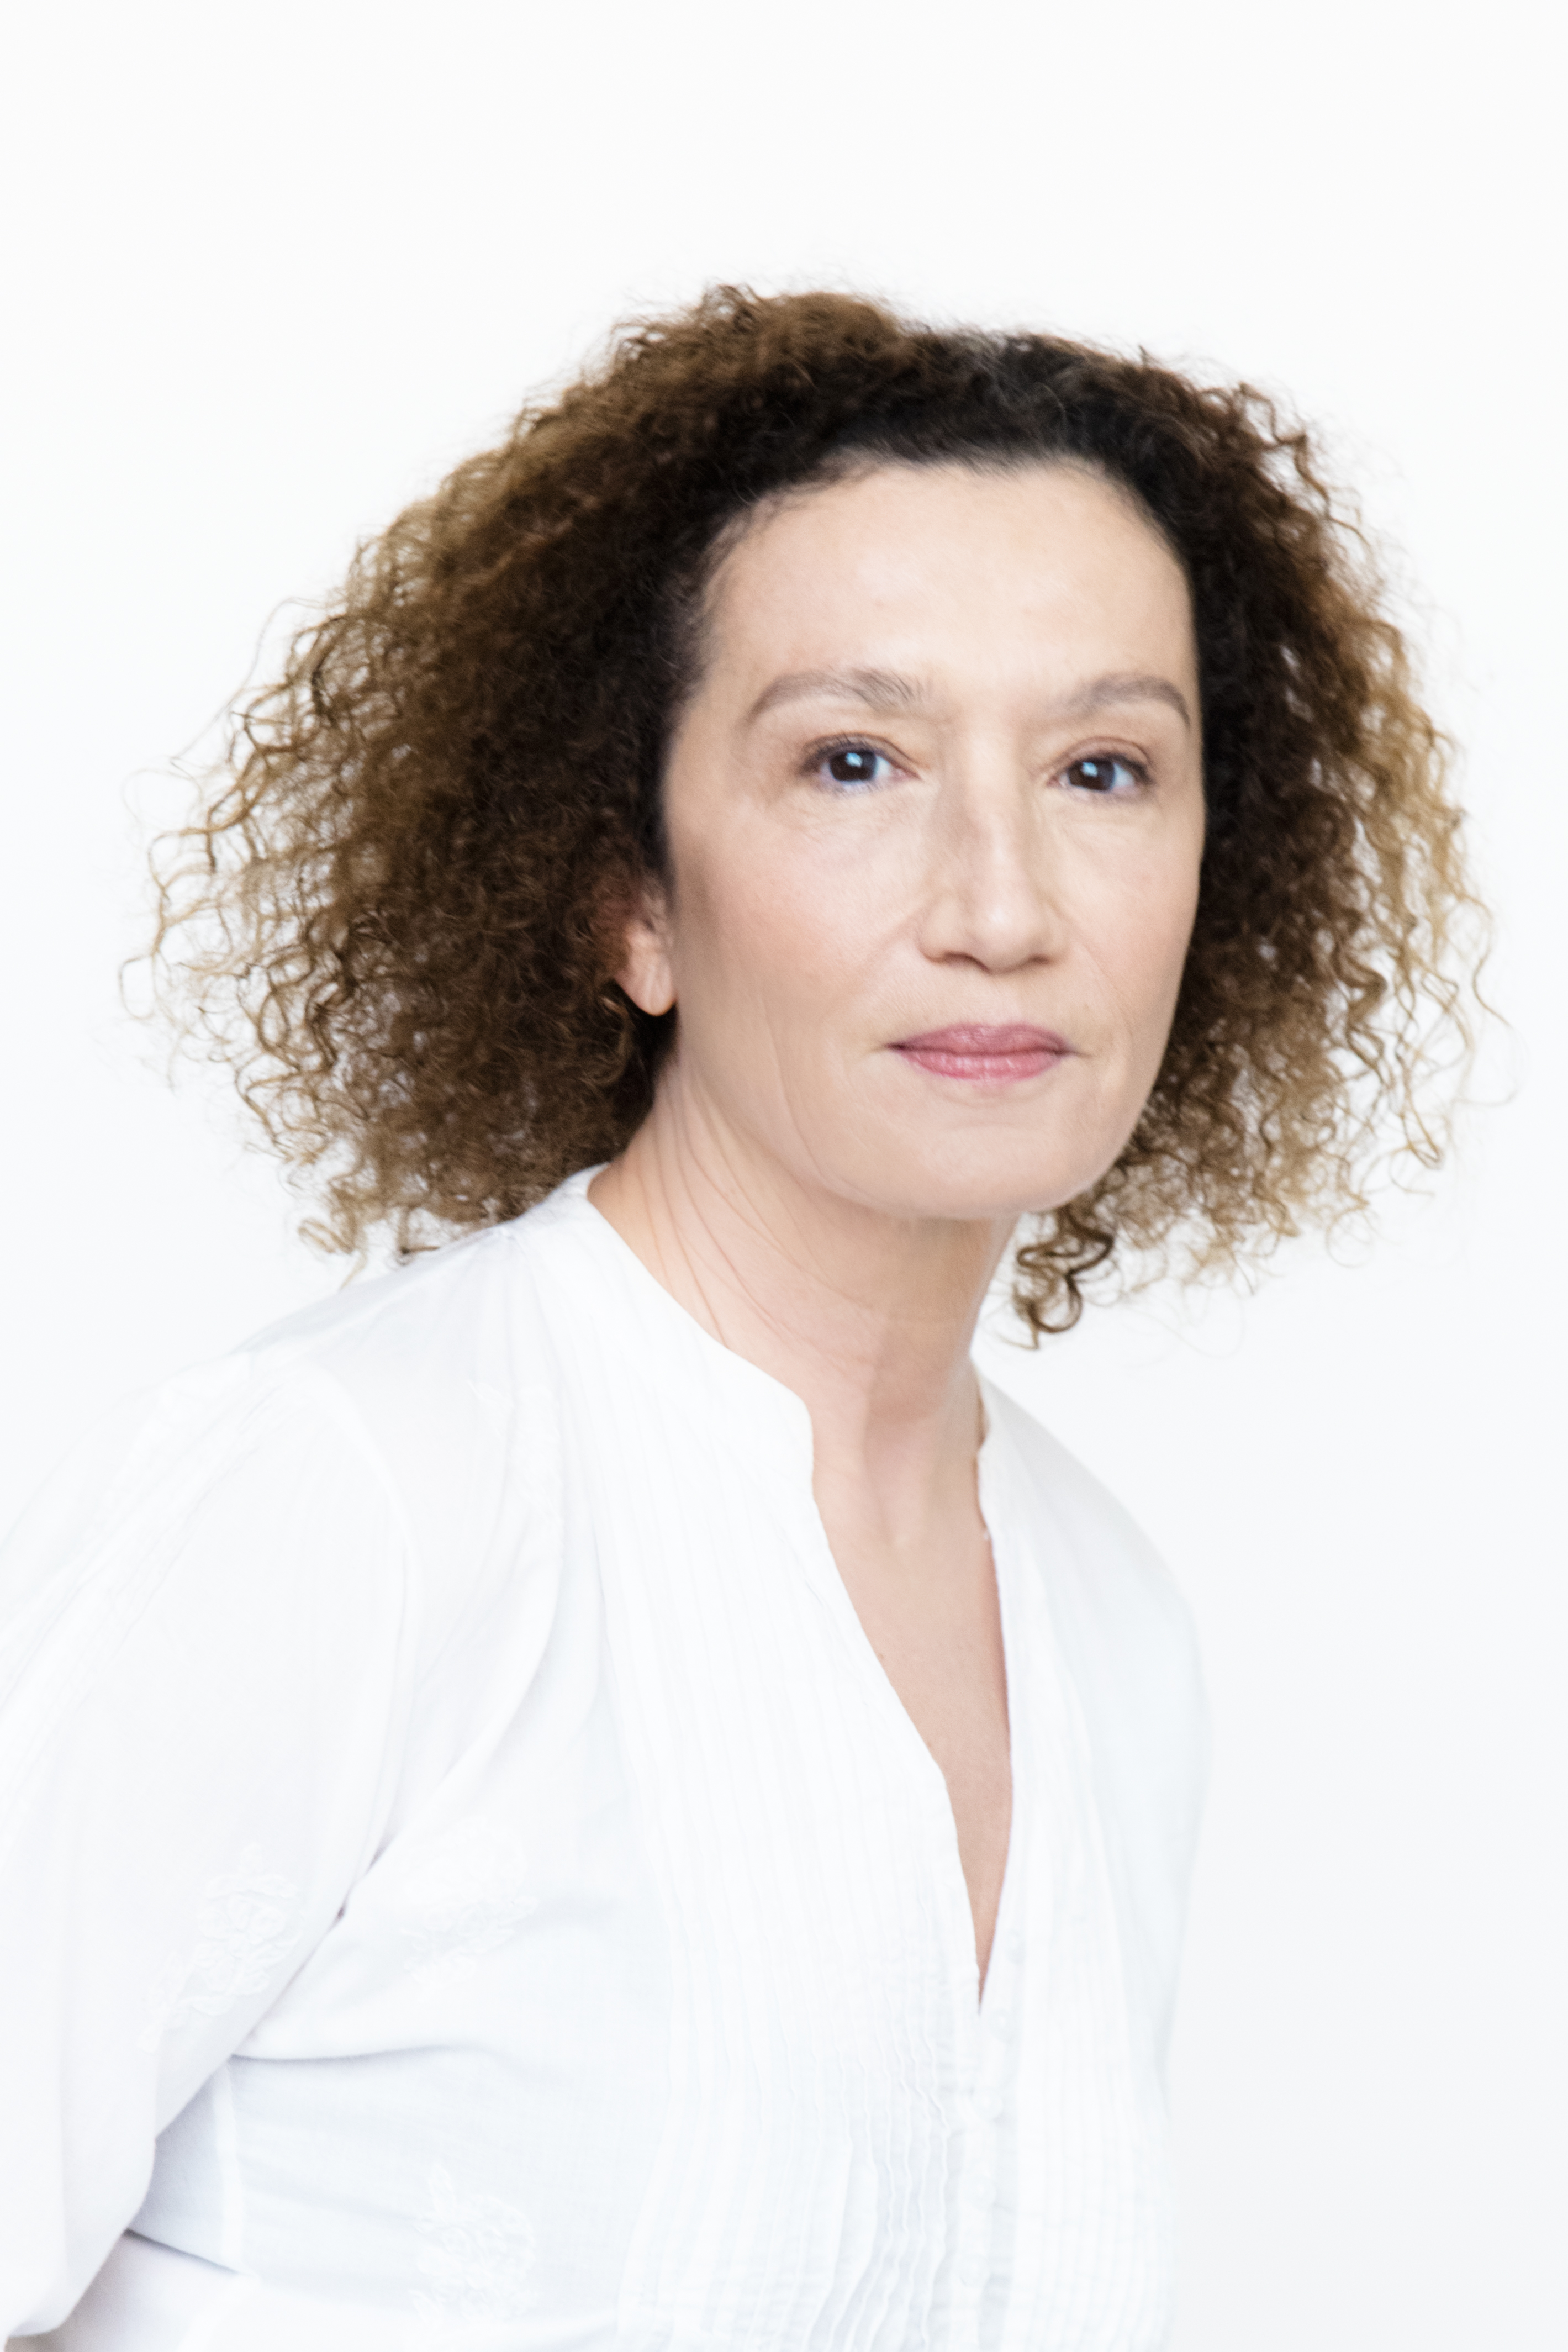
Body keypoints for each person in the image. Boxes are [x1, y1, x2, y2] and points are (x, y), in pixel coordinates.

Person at [0, 288, 1476, 2351]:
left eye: (1105, 768)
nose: (1002, 904)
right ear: (632, 895)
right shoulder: (355, 1506)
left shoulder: (1114, 1627)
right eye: (854, 761)